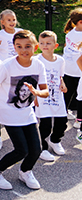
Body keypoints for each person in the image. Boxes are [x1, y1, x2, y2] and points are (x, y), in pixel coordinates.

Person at [0, 30, 48, 191]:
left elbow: (45, 91)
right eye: (19, 46)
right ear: (14, 47)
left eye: (28, 46)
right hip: (9, 114)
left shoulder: (39, 65)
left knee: (36, 150)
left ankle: (25, 171)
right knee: (22, 150)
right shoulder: (7, 65)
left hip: (27, 113)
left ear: (36, 47)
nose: (23, 50)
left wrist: (36, 92)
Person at [35, 30, 67, 162]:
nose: (45, 45)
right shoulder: (37, 60)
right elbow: (33, 79)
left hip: (57, 96)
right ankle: (42, 147)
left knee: (62, 122)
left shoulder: (60, 60)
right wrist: (35, 96)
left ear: (56, 45)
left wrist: (63, 84)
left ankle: (55, 140)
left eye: (48, 43)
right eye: (42, 43)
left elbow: (60, 76)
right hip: (42, 97)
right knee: (45, 124)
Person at [62, 8, 82, 129]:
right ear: (80, 22)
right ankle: (79, 120)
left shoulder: (70, 32)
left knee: (67, 93)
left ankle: (63, 113)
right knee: (80, 96)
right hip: (78, 70)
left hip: (67, 68)